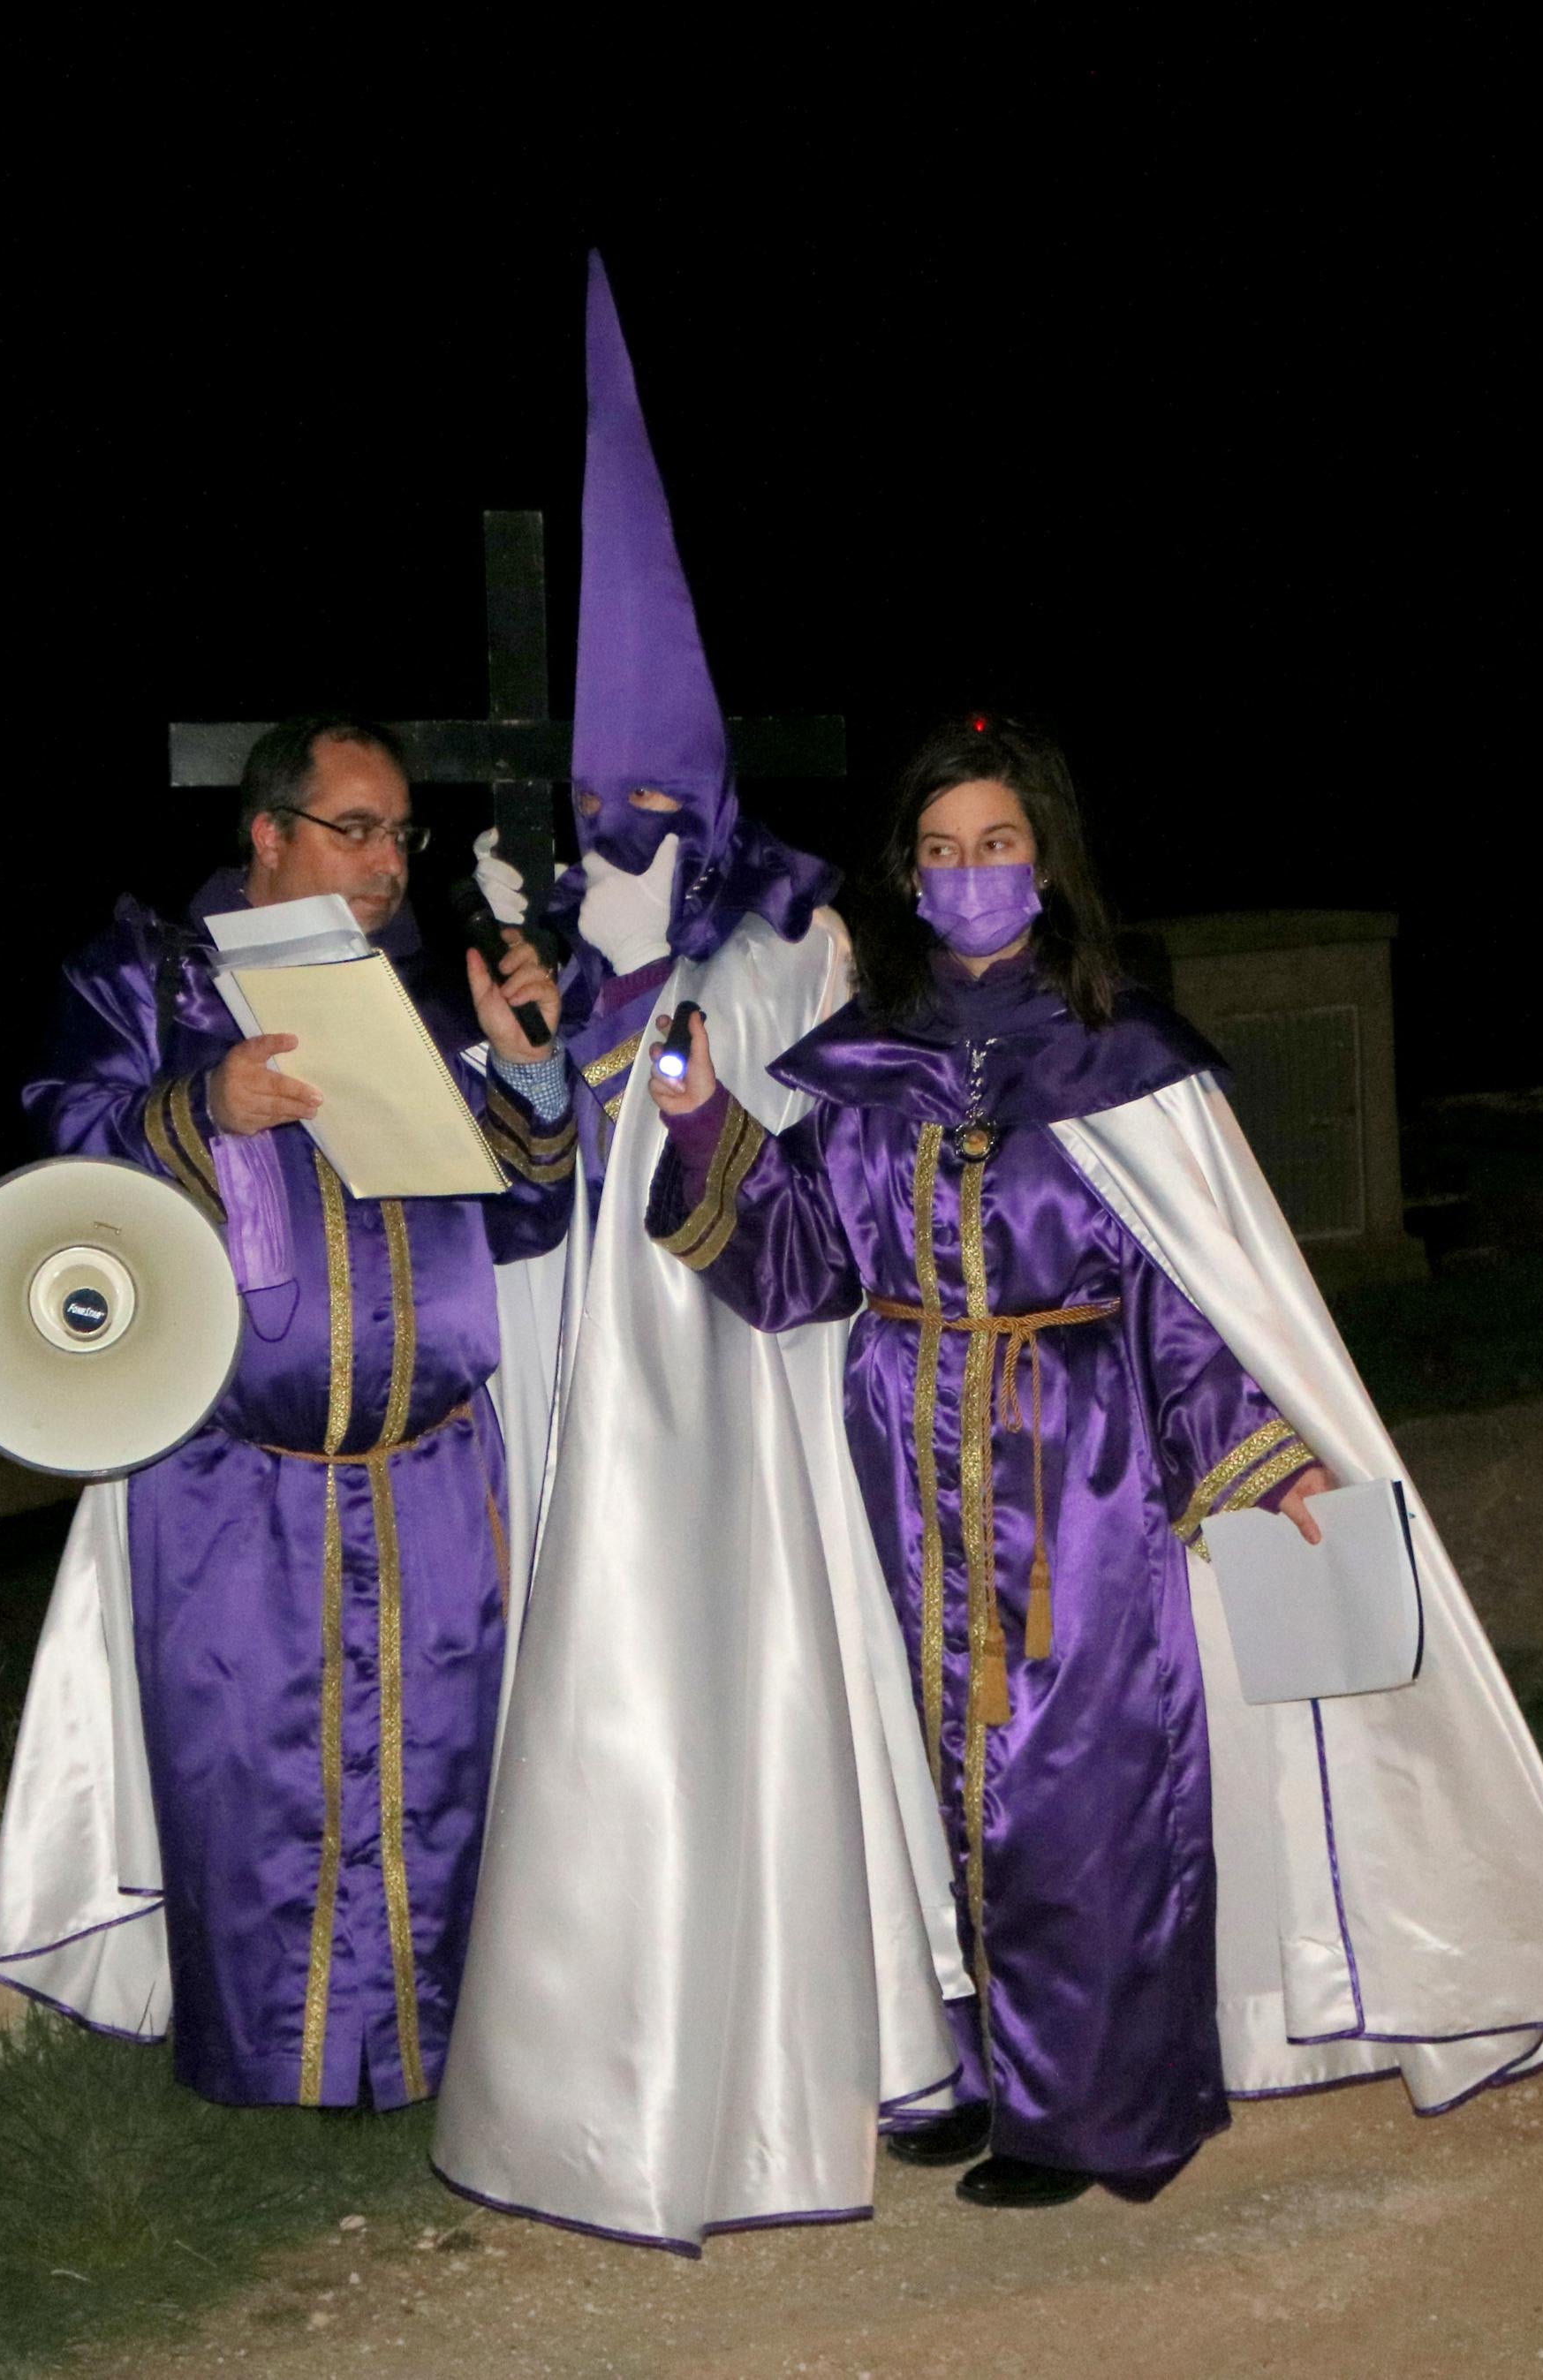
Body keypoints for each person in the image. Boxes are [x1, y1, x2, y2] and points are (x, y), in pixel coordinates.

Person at [638, 715, 1543, 2210]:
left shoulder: (1121, 1058)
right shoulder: (858, 1064)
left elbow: (1184, 1293)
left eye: (995, 845)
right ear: (907, 873)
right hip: (894, 1462)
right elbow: (799, 1267)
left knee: (1070, 1780)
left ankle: (1086, 2107)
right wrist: (703, 1119)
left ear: (1045, 866)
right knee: (915, 1774)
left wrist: (1266, 1460)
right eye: (941, 850)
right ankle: (960, 2061)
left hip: (1072, 1464)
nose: (968, 873)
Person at [431, 254, 963, 2253]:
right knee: (616, 1702)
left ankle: (858, 2031)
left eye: (661, 794)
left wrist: (716, 1087)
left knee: (791, 1674)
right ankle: (609, 2072)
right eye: (603, 800)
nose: (630, 819)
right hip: (602, 1388)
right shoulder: (549, 957)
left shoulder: (790, 943)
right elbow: (522, 1180)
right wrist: (536, 1062)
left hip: (759, 1374)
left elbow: (837, 1159)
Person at [0, 715, 579, 2110]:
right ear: (266, 832)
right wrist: (204, 1104)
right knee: (249, 1775)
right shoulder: (147, 977)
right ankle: (272, 2059)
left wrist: (530, 1069)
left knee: (436, 1770)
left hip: (433, 1470)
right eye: (353, 828)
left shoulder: (434, 995)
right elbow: (66, 1150)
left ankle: (434, 2053)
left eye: (399, 834)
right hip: (230, 1478)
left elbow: (526, 1210)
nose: (387, 862)